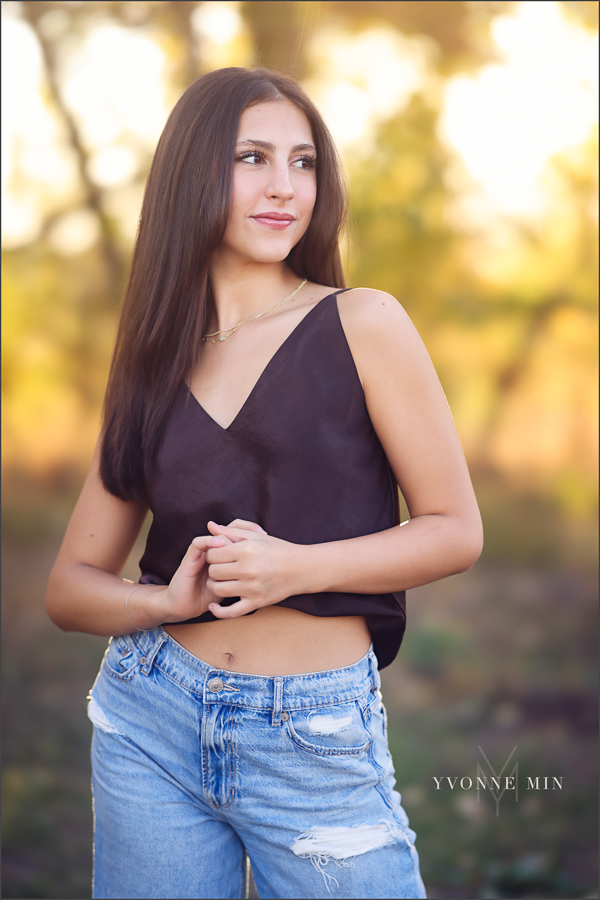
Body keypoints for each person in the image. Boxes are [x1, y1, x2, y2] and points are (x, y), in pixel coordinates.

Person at [46, 66, 483, 900]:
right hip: (150, 719)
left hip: (313, 734)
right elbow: (70, 589)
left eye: (305, 162)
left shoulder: (364, 323)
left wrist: (297, 568)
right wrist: (163, 604)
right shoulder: (152, 359)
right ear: (193, 173)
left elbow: (456, 529)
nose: (286, 187)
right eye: (253, 157)